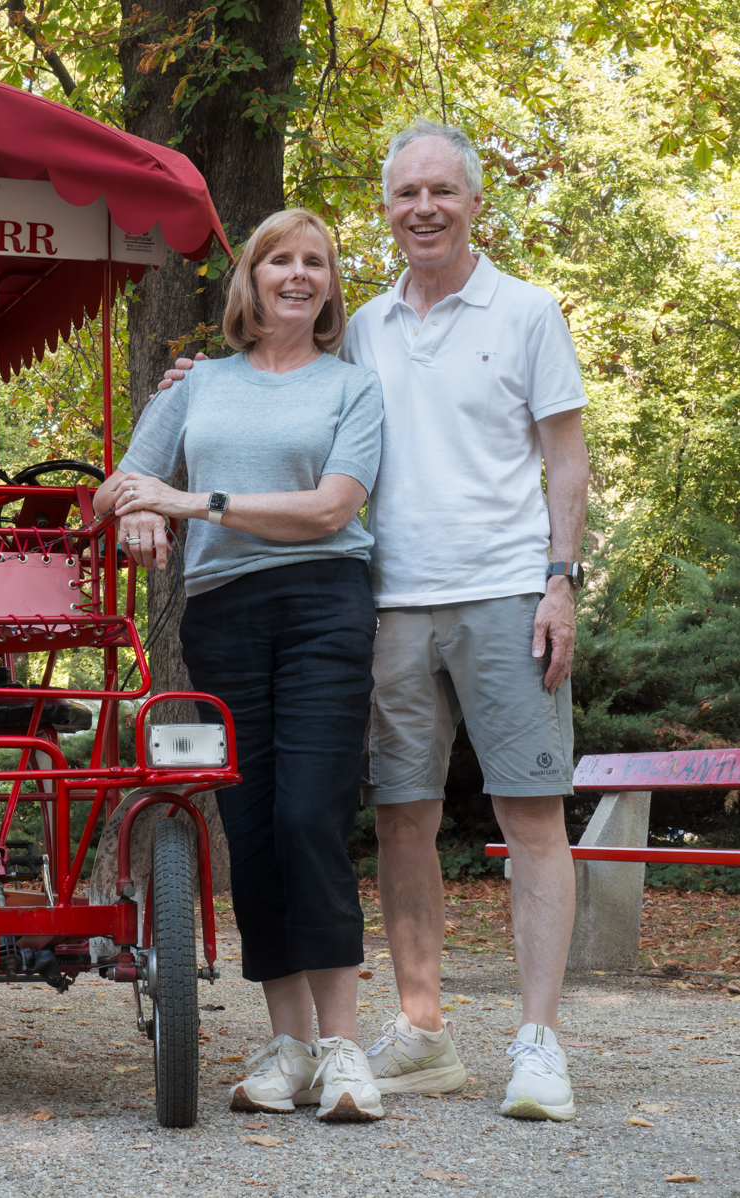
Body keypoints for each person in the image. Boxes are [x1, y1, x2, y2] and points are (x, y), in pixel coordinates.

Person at [151, 119, 590, 1122]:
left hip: (507, 589)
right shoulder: (367, 331)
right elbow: (275, 383)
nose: (424, 208)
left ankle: (539, 1040)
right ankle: (424, 1032)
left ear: (475, 202)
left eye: (442, 191)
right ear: (388, 211)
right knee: (400, 818)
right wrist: (191, 388)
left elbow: (565, 457)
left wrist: (561, 577)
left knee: (530, 812)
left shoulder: (525, 312)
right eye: (406, 194)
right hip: (387, 599)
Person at [93, 208, 386, 1123]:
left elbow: (335, 507)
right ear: (251, 282)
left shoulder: (354, 389)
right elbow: (118, 486)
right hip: (224, 616)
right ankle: (288, 1045)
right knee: (250, 824)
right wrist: (138, 511)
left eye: (316, 263)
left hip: (325, 606)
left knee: (310, 814)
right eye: (279, 261)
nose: (298, 276)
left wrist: (190, 500)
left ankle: (343, 1050)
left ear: (330, 285)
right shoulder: (197, 384)